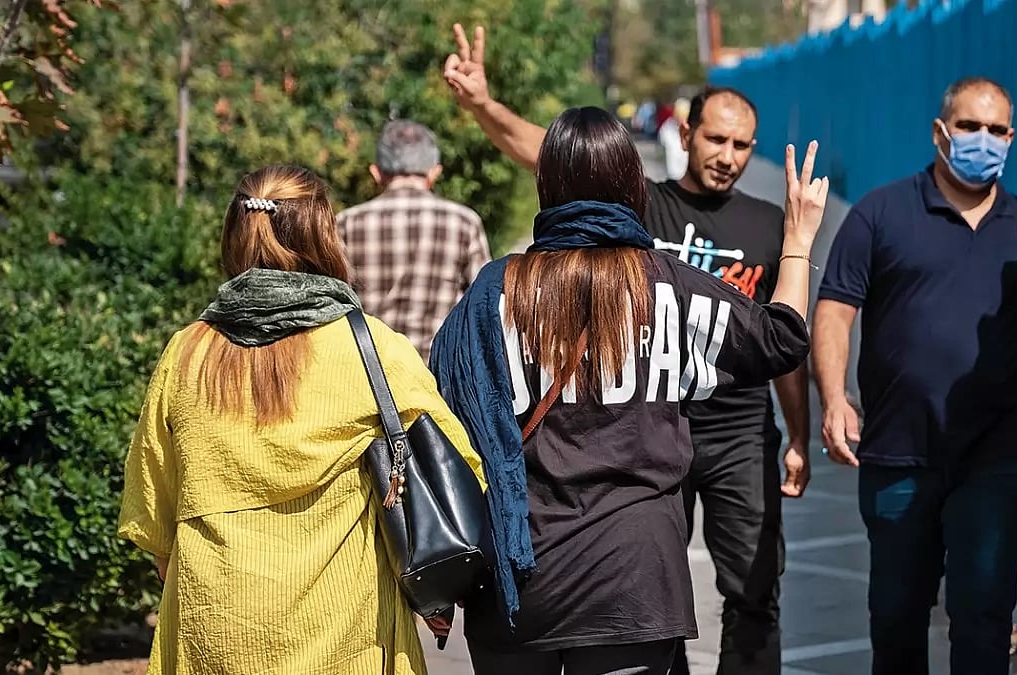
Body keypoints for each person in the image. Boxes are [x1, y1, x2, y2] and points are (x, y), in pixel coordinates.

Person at [442, 25, 813, 674]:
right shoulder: (671, 286)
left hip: (517, 576)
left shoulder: (495, 292)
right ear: (633, 184)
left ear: (546, 184)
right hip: (635, 577)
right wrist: (800, 240)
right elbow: (781, 338)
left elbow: (443, 411)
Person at [118, 165, 484, 675]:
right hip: (344, 634)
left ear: (232, 234)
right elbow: (460, 470)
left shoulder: (185, 352)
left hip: (214, 631)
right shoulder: (372, 349)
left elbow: (156, 517)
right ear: (323, 234)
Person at [813, 76, 1017, 675]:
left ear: (1012, 138)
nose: (983, 140)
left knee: (983, 615)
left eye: (996, 130)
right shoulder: (881, 214)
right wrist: (834, 399)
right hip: (898, 452)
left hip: (997, 456)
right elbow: (835, 309)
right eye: (968, 126)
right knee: (897, 617)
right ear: (939, 132)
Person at [337, 118, 491, 363]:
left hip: (368, 376)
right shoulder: (464, 222)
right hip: (437, 378)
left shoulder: (346, 223)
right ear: (434, 172)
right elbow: (485, 306)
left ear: (376, 173)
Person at [659, 96, 692, 180]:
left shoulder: (692, 130)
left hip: (687, 177)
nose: (681, 119)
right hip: (671, 176)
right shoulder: (667, 129)